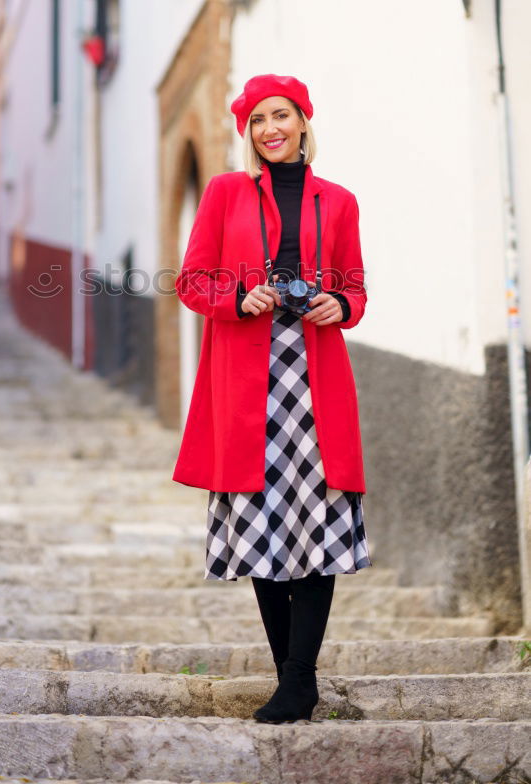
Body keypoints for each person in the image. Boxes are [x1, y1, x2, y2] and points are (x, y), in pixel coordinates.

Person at [172, 73, 372, 724]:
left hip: (314, 374)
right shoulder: (227, 192)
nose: (269, 129)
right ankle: (294, 681)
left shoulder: (338, 202)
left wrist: (337, 302)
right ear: (247, 133)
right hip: (245, 376)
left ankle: (299, 678)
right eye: (256, 120)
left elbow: (357, 292)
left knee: (316, 519)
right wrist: (236, 298)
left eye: (280, 115)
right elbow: (192, 281)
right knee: (262, 522)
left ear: (303, 121)